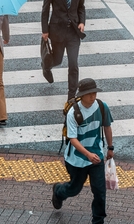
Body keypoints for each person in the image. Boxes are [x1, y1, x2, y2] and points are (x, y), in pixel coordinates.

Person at [51, 78, 113, 224]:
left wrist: (110, 147)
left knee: (99, 191)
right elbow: (72, 139)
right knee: (74, 189)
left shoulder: (101, 107)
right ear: (81, 95)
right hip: (76, 160)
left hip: (96, 156)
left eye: (94, 93)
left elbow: (107, 126)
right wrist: (87, 154)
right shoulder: (74, 112)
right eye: (89, 94)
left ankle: (98, 220)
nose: (93, 96)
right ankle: (59, 191)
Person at [41, 0, 86, 100]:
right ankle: (46, 66)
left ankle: (71, 96)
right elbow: (45, 10)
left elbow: (81, 7)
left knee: (73, 64)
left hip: (73, 32)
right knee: (58, 60)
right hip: (57, 31)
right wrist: (45, 30)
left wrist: (82, 22)